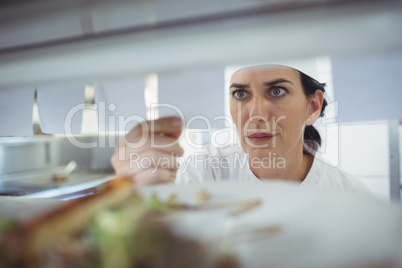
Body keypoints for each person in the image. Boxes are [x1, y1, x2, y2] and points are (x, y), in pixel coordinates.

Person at [111, 64, 368, 193]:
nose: (255, 114)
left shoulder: (350, 197)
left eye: (277, 91)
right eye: (241, 93)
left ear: (312, 106)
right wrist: (130, 193)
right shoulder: (202, 176)